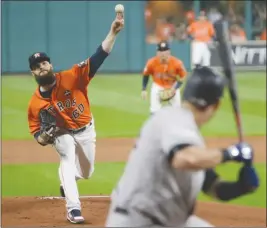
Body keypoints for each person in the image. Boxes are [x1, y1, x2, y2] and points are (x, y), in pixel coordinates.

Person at [105, 66, 259, 227]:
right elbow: (186, 159)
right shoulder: (174, 120)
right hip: (137, 221)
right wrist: (231, 153)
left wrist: (241, 187)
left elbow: (214, 188)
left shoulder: (182, 132)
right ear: (216, 105)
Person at [27, 13, 124, 224]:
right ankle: (73, 208)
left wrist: (113, 32)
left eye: (44, 63)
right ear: (32, 72)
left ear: (51, 66)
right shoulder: (35, 103)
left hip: (87, 129)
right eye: (37, 66)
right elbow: (36, 129)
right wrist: (41, 138)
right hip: (63, 134)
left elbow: (99, 56)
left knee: (87, 172)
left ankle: (67, 180)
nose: (41, 67)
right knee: (66, 158)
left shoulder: (72, 76)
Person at [141, 41, 187, 114]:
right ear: (157, 52)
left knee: (177, 112)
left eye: (165, 50)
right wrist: (144, 89)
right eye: (160, 51)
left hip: (172, 86)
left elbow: (183, 76)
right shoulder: (151, 62)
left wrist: (175, 88)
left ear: (169, 51)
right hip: (158, 86)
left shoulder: (177, 63)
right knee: (154, 111)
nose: (163, 53)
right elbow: (146, 74)